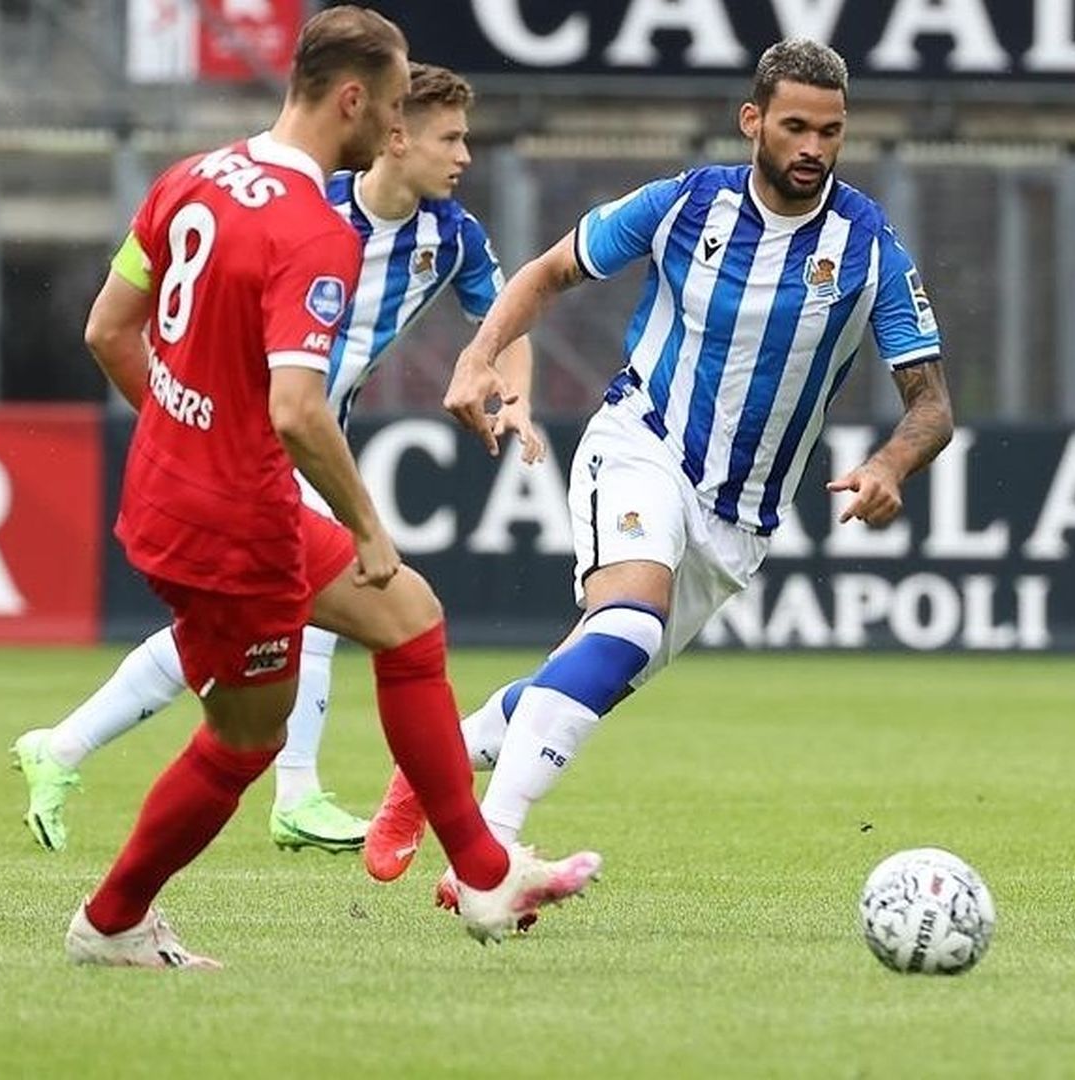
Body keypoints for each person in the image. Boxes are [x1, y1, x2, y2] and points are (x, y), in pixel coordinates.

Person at [61, 7, 596, 969]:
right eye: (391, 108)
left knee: (397, 629)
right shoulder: (313, 230)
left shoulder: (193, 176)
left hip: (171, 493)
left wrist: (186, 435)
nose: (395, 127)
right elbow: (300, 411)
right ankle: (110, 921)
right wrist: (365, 524)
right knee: (254, 730)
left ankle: (480, 870)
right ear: (351, 99)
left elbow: (108, 330)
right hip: (236, 524)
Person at [360, 39, 955, 896]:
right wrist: (480, 355)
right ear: (752, 121)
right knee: (630, 625)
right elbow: (552, 270)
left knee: (598, 669)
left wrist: (892, 466)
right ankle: (489, 856)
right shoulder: (686, 204)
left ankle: (434, 765)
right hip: (640, 443)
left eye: (830, 131)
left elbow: (930, 404)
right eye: (794, 126)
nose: (813, 148)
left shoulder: (867, 249)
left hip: (738, 521)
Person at [8, 61, 540, 858]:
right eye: (451, 137)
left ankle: (64, 746)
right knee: (338, 595)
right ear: (394, 136)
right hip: (257, 432)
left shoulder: (452, 237)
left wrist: (513, 391)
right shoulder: (309, 208)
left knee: (237, 632)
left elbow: (508, 320)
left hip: (310, 433)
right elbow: (133, 323)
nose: (466, 155)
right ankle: (297, 794)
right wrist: (185, 418)